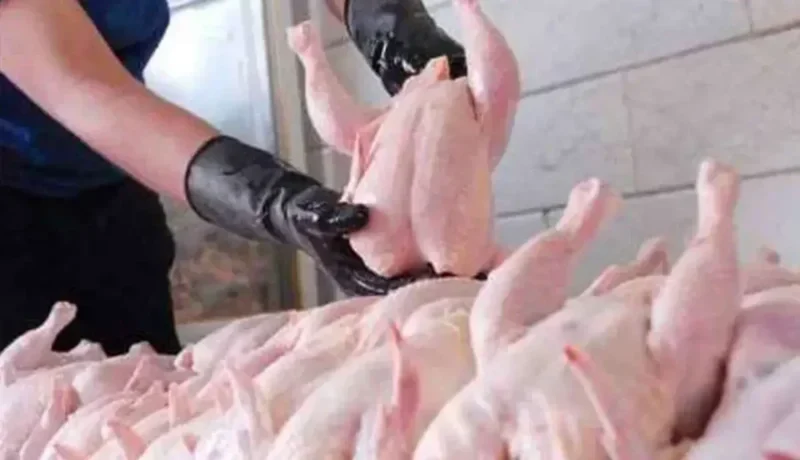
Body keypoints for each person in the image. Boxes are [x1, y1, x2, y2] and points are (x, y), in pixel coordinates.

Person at [0, 0, 467, 356]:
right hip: (13, 196)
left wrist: (390, 22)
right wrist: (273, 200)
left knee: (144, 380)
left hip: (108, 184)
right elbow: (85, 89)